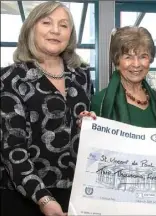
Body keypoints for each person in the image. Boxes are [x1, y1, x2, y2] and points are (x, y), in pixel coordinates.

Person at [0, 2, 93, 216]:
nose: (55, 30)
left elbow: (82, 128)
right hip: (24, 195)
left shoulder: (82, 75)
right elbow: (11, 148)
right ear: (31, 28)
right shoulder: (10, 78)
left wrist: (89, 123)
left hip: (75, 194)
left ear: (70, 34)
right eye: (46, 22)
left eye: (64, 25)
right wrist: (44, 199)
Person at [89, 26, 156, 128]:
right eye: (128, 57)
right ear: (117, 61)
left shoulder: (155, 99)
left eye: (143, 56)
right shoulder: (100, 101)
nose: (136, 64)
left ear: (150, 60)